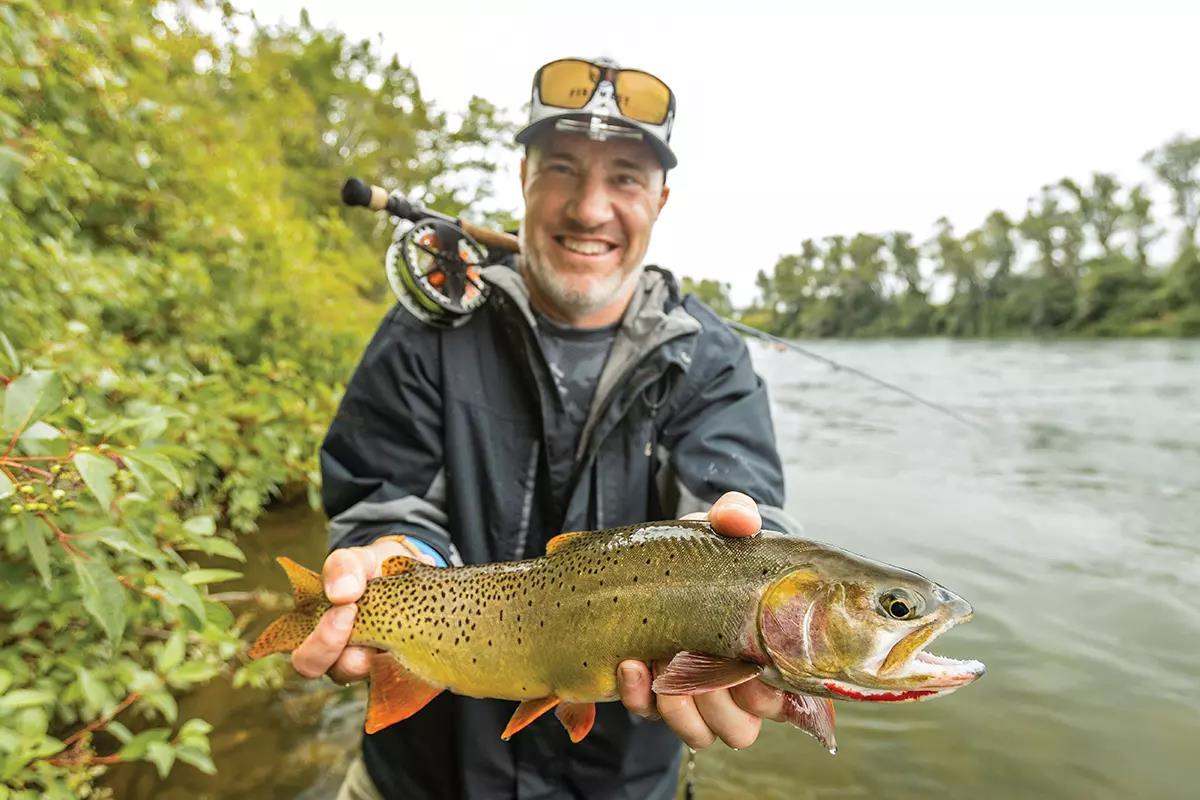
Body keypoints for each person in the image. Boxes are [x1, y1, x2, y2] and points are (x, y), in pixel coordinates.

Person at [295, 56, 802, 799]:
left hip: (624, 778)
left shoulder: (709, 358)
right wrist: (395, 551)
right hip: (424, 775)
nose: (589, 208)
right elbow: (385, 495)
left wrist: (742, 589)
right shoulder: (428, 330)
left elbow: (746, 513)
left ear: (661, 199)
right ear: (524, 180)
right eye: (562, 169)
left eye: (625, 178)